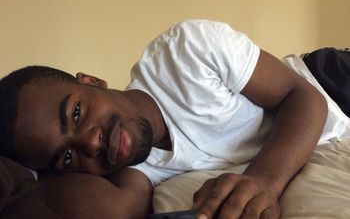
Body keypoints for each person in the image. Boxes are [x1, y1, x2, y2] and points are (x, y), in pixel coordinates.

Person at [0, 20, 327, 218]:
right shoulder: (135, 174)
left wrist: (264, 181)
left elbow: (302, 96)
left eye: (75, 113)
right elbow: (114, 211)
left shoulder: (186, 50)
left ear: (91, 81)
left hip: (328, 79)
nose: (90, 141)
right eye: (67, 156)